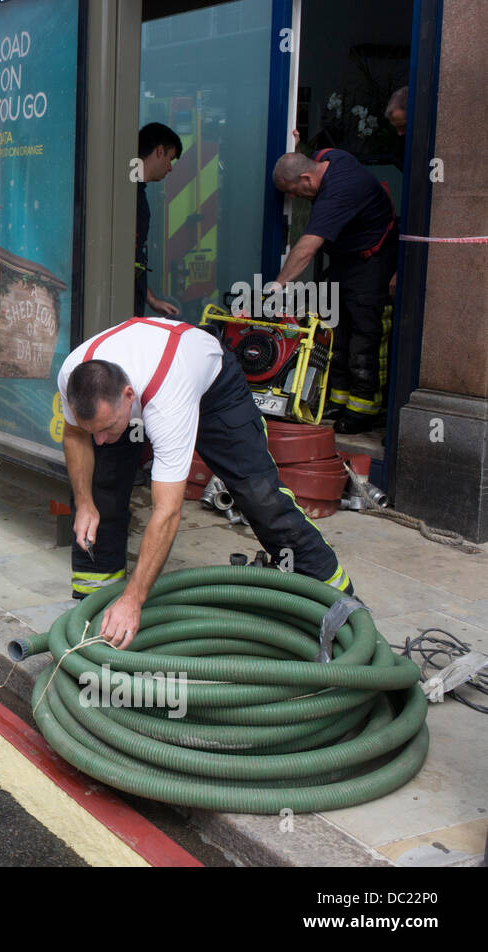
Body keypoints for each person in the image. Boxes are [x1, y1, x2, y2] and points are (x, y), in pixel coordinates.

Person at [58, 316, 354, 648]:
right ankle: (94, 599)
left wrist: (134, 600)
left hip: (213, 387)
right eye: (93, 429)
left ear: (129, 396)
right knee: (102, 484)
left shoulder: (167, 402)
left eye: (107, 427)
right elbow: (75, 435)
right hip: (143, 389)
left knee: (259, 495)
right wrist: (85, 503)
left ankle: (335, 593)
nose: (98, 439)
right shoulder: (73, 374)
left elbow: (167, 512)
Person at [272, 149, 397, 433]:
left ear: (306, 179)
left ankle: (364, 409)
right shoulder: (329, 159)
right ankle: (338, 400)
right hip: (345, 262)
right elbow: (311, 156)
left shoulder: (340, 191)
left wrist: (277, 285)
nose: (291, 198)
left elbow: (308, 247)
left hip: (371, 266)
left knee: (366, 339)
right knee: (336, 335)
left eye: (292, 191)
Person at [134, 124, 183, 318]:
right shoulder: (127, 195)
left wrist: (151, 300)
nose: (170, 168)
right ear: (159, 150)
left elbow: (133, 258)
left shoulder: (136, 191)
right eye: (169, 159)